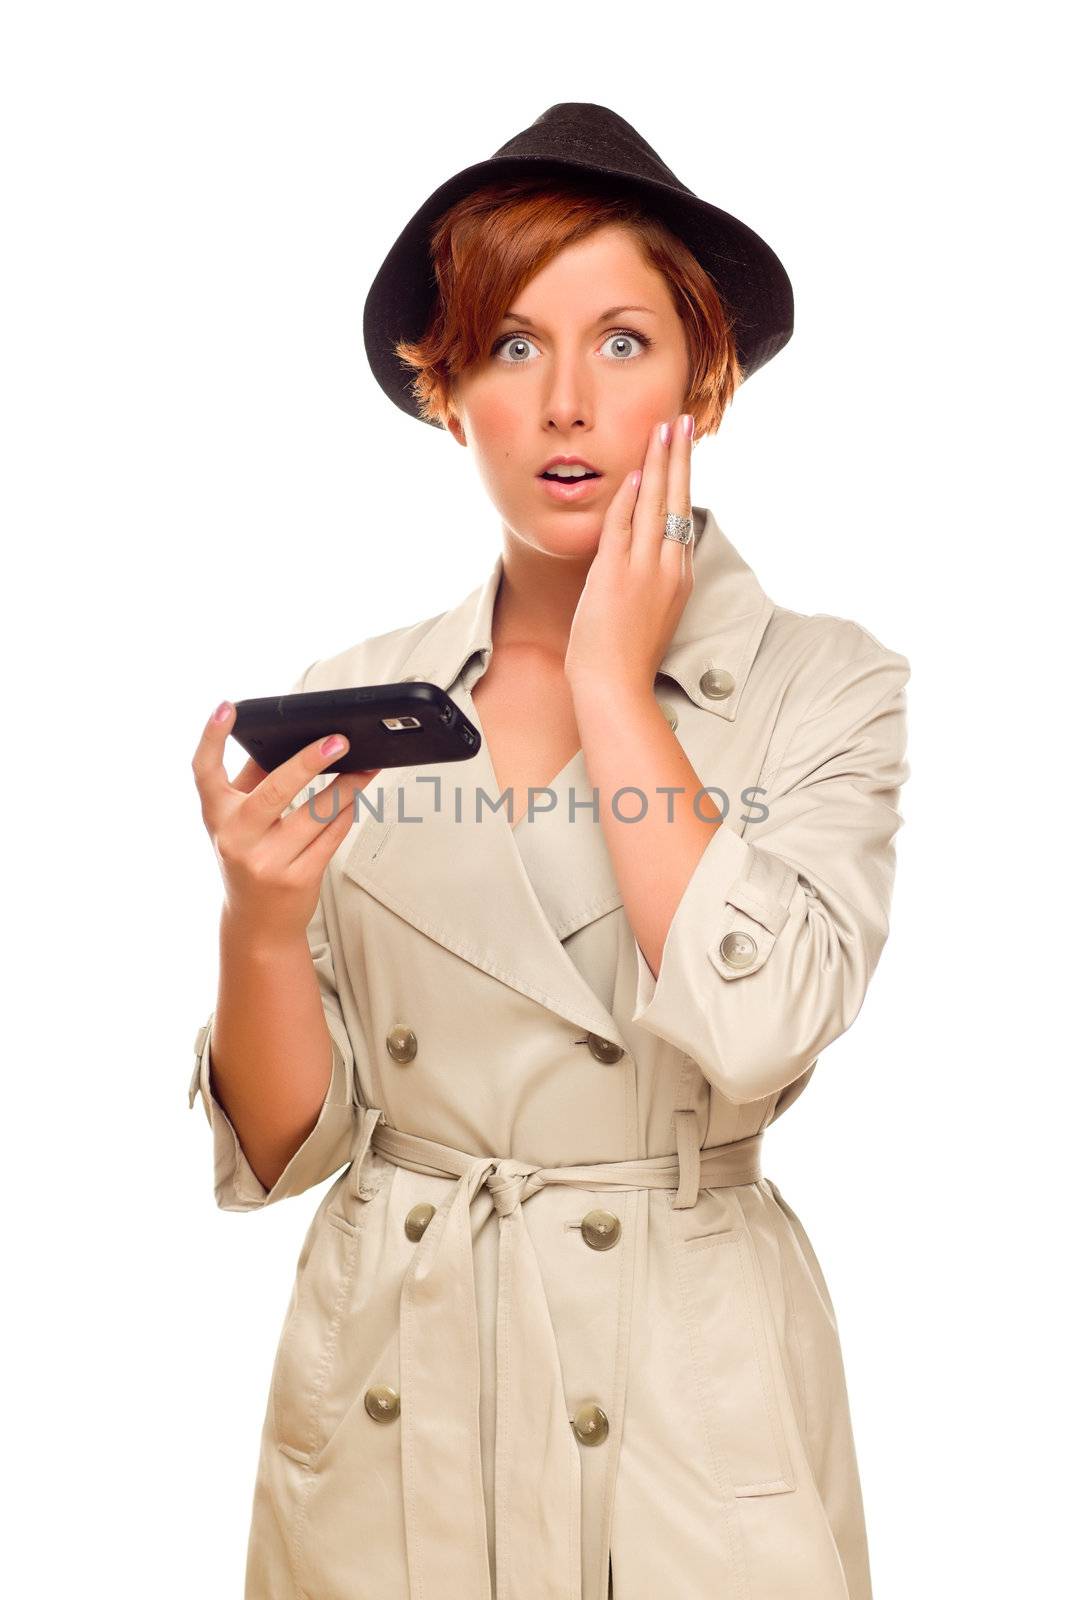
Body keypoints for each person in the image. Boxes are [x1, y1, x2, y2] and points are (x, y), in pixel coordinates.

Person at [189, 103, 910, 1600]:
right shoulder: (361, 690)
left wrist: (606, 681)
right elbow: (283, 1153)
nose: (568, 401)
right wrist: (259, 924)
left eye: (624, 342)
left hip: (683, 1388)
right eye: (512, 347)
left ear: (704, 384)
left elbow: (762, 1029)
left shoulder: (824, 683)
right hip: (398, 1366)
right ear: (445, 394)